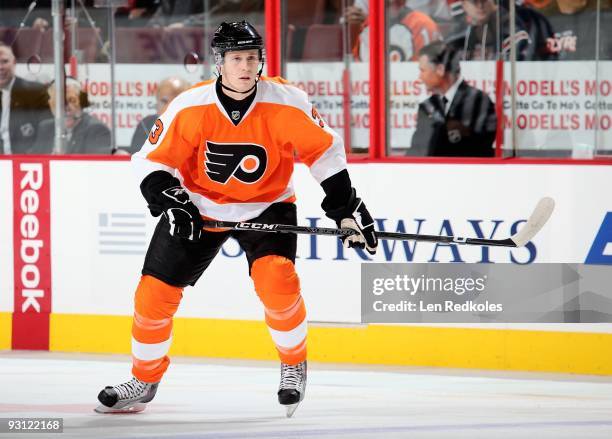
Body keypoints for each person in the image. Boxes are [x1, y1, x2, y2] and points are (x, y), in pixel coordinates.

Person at [94, 21, 378, 418]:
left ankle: (294, 363)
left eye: (252, 57)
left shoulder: (286, 101)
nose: (246, 66)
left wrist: (345, 207)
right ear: (219, 63)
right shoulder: (191, 106)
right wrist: (171, 200)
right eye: (236, 58)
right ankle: (144, 379)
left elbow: (325, 152)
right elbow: (151, 160)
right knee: (152, 296)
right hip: (199, 209)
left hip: (267, 206)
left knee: (278, 280)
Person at [410, 41, 497, 157]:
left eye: (423, 70)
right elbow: (417, 150)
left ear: (440, 69)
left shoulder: (479, 101)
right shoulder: (427, 106)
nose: (420, 77)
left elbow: (480, 150)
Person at [446, 0, 554, 60]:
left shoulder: (509, 22)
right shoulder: (458, 34)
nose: (480, 6)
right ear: (464, 5)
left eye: (484, 1)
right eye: (474, 2)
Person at [33, 77, 111, 154]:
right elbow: (31, 158)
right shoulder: (45, 127)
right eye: (59, 102)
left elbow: (93, 164)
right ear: (50, 105)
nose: (66, 108)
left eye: (72, 100)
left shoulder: (96, 130)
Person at [0, 42, 51, 154]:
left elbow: (47, 132)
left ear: (14, 63)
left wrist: (28, 160)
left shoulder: (34, 92)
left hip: (26, 163)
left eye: (4, 61)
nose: (1, 67)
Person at [127, 77, 191, 155]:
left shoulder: (197, 127)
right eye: (164, 101)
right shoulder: (146, 124)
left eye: (176, 102)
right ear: (157, 102)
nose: (169, 107)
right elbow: (135, 158)